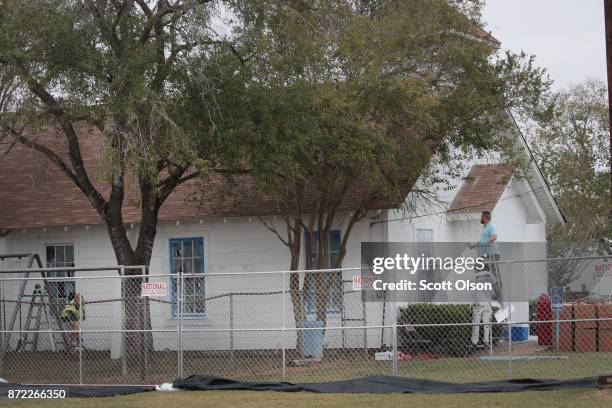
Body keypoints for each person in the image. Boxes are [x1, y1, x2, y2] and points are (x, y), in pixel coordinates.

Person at [471, 211, 501, 348]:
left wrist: (486, 245)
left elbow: (494, 237)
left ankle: (498, 293)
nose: (480, 219)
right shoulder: (485, 228)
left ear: (485, 217)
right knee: (488, 277)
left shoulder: (491, 226)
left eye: (481, 217)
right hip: (486, 255)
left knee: (493, 279)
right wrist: (477, 245)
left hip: (491, 255)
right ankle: (482, 342)